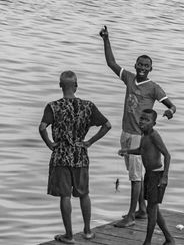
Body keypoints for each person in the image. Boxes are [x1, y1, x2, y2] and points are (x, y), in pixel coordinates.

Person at [99, 25, 177, 228]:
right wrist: (106, 39)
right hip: (125, 132)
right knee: (134, 175)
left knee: (135, 178)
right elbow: (111, 63)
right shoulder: (129, 78)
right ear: (135, 65)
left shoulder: (154, 87)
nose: (142, 67)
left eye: (146, 65)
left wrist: (168, 112)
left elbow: (172, 105)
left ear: (151, 69)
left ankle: (131, 216)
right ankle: (142, 210)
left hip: (137, 136)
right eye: (140, 64)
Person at [39, 71, 112, 244]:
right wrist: (89, 142)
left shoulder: (53, 106)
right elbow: (107, 125)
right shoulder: (88, 106)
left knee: (65, 196)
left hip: (61, 155)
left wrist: (50, 143)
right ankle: (87, 231)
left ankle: (69, 235)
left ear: (60, 85)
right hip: (80, 154)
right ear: (76, 85)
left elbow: (42, 127)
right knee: (84, 193)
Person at [119, 109, 175, 245]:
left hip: (157, 174)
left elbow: (167, 155)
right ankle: (169, 239)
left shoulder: (154, 136)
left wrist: (165, 177)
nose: (142, 121)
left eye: (147, 120)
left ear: (154, 123)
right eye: (141, 118)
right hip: (149, 174)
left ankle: (147, 242)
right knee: (154, 209)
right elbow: (141, 151)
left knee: (151, 211)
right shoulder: (144, 135)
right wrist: (127, 151)